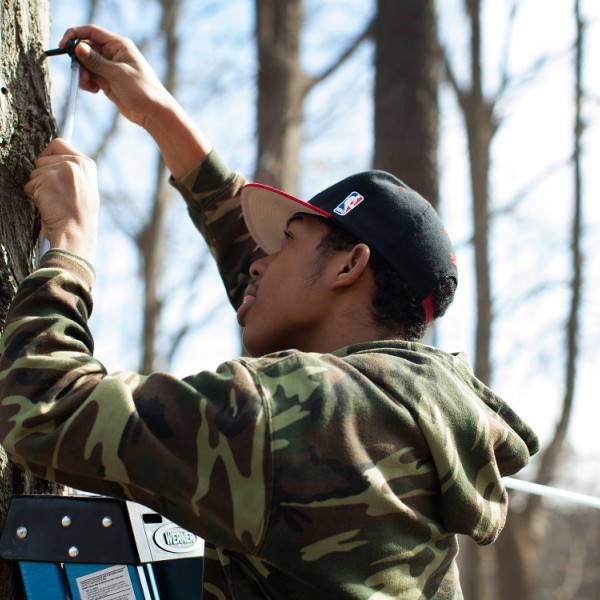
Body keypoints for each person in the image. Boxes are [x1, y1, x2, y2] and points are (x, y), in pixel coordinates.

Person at [0, 25, 539, 600]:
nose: (258, 265)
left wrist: (71, 244)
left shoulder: (305, 410)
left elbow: (43, 410)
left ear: (347, 268)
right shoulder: (407, 413)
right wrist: (158, 113)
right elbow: (275, 291)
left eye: (286, 241)